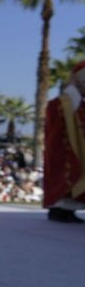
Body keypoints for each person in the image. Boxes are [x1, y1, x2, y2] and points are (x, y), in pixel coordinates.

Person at [43, 60, 85, 222]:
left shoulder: (79, 104)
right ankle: (59, 209)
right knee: (65, 175)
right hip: (63, 150)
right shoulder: (62, 103)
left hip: (77, 150)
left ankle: (68, 210)